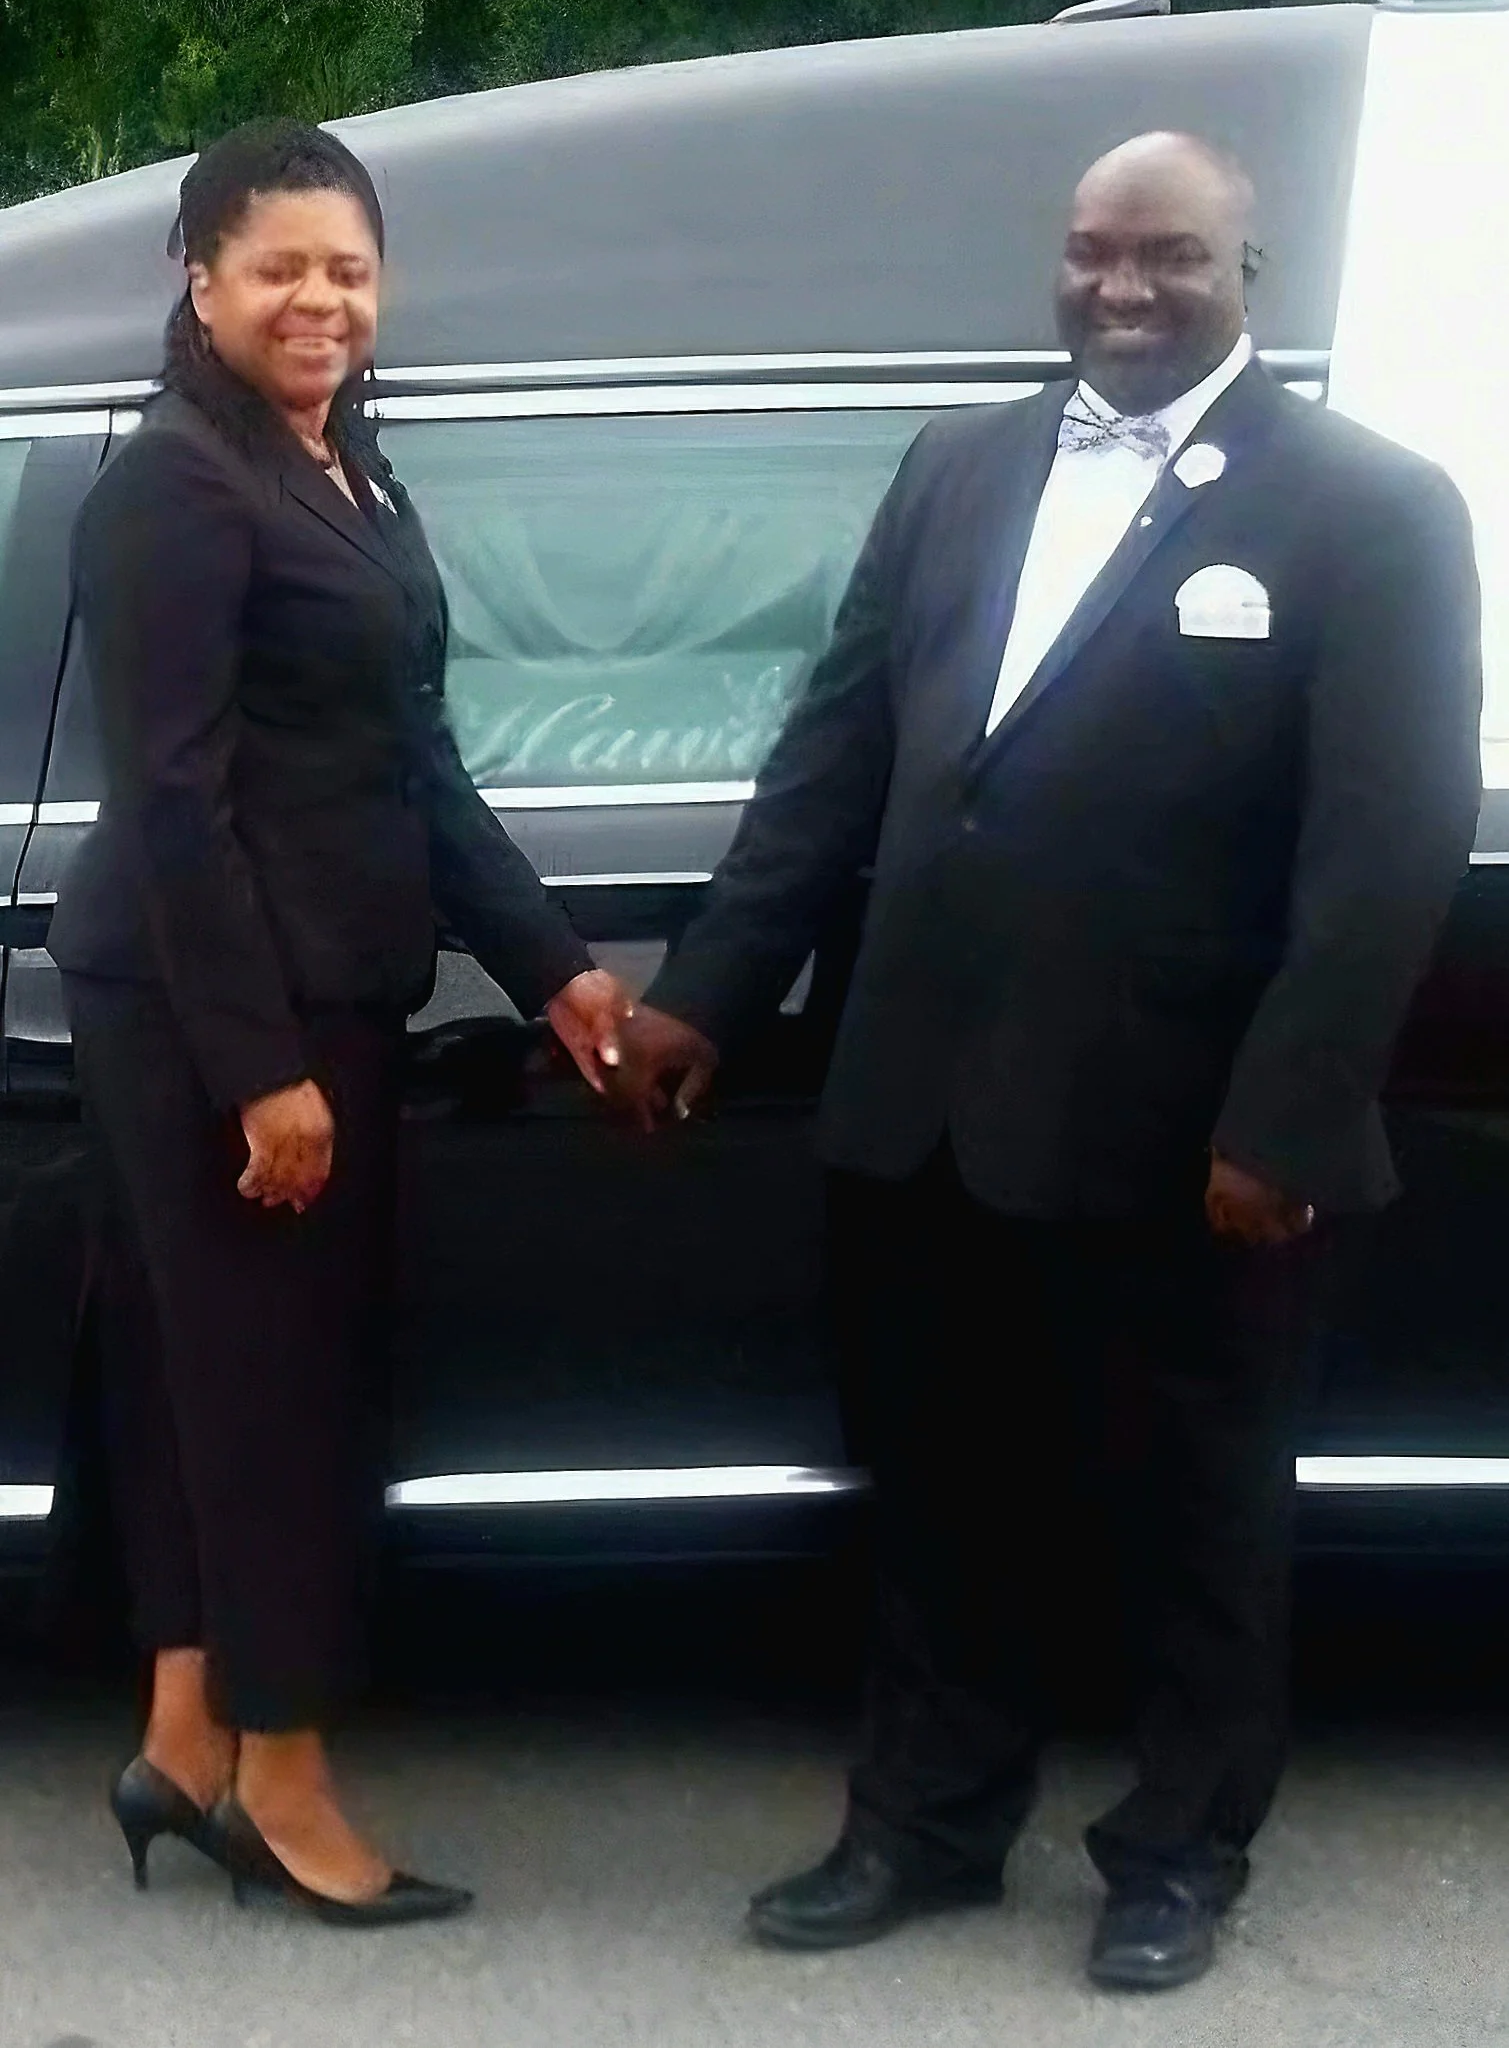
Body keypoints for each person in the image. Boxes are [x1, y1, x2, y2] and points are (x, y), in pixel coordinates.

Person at [612, 132, 1482, 1989]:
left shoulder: (1371, 505)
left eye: (1167, 256)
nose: (1121, 290)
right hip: (924, 1100)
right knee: (939, 1494)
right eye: (1092, 254)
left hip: (1193, 1136)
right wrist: (705, 989)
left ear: (1252, 268)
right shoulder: (960, 465)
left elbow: (1388, 845)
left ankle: (1179, 1852)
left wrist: (1291, 1111)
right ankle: (926, 1824)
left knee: (1198, 1510)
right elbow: (836, 757)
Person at [48, 120, 630, 1926]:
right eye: (282, 265)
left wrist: (554, 965)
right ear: (199, 280)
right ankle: (285, 1779)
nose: (324, 299)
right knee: (282, 1402)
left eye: (352, 269)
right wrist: (263, 1071)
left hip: (296, 992)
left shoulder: (347, 475)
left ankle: (184, 1731)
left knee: (202, 1382)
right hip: (225, 1011)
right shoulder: (172, 487)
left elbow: (418, 768)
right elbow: (171, 798)